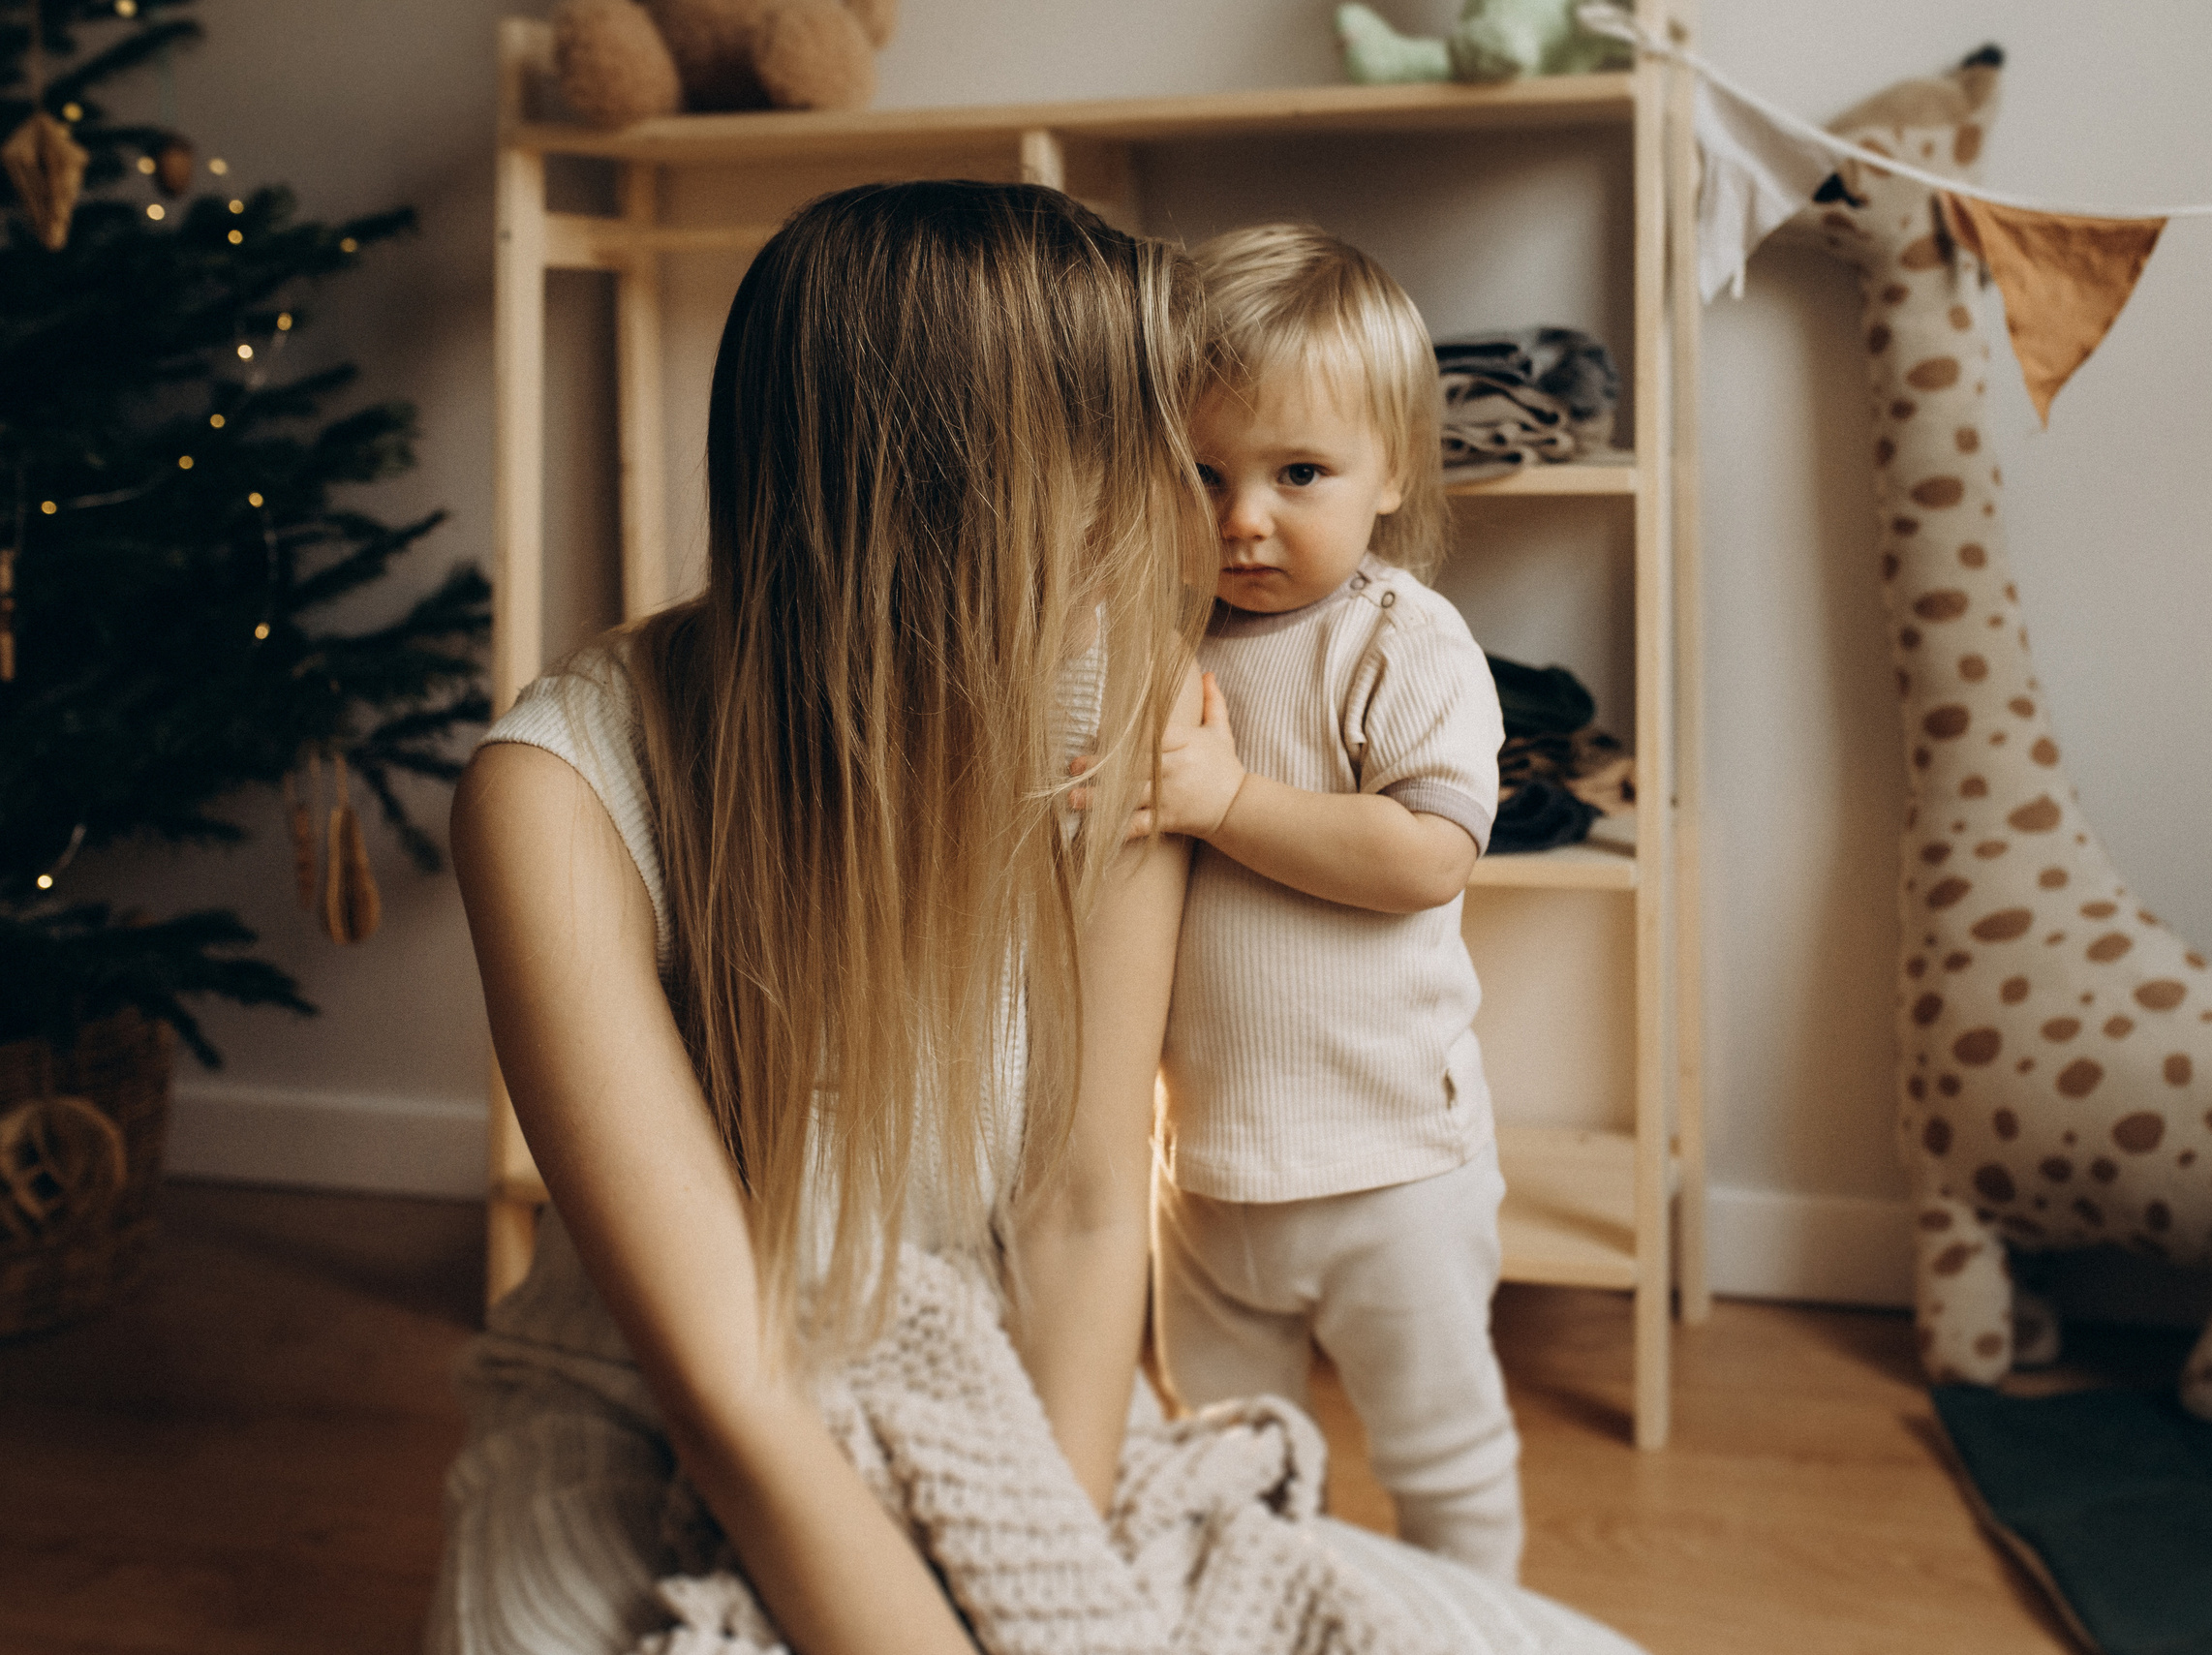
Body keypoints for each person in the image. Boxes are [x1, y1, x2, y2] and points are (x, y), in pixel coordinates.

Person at [432, 180, 1641, 1655]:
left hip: (1016, 1382)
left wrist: (1044, 1585)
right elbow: (727, 1386)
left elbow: (1079, 1217)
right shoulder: (557, 793)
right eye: (1152, 453)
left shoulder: (1127, 715)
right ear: (963, 484)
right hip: (650, 1403)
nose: (1195, 515)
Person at [1144, 225, 1523, 1579]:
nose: (1242, 516)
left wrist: (1229, 803)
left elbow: (1428, 851)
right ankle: (1268, 1605)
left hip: (1391, 1170)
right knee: (1229, 1453)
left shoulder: (1398, 637)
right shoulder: (1158, 640)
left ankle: (1478, 1619)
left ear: (1390, 472)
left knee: (1442, 1452)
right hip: (1207, 1169)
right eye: (1201, 472)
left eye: (1297, 472)